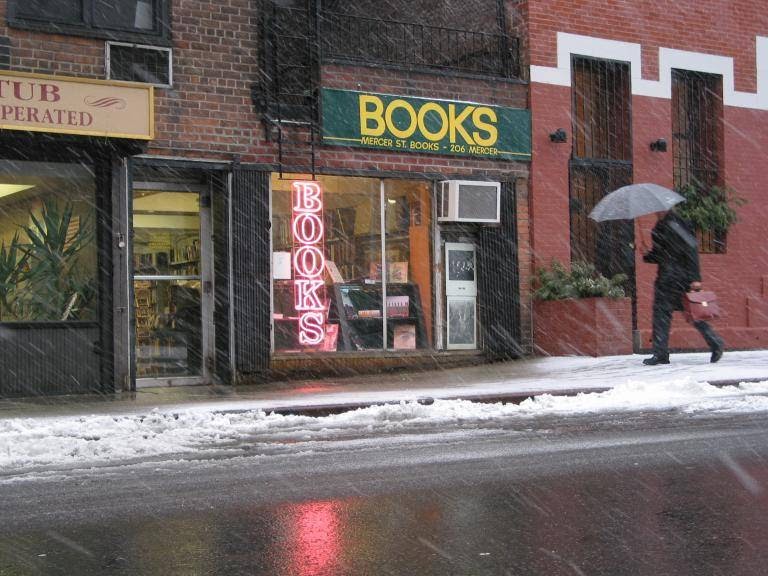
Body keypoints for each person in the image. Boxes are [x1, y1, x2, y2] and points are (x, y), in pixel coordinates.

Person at [642, 208, 724, 365]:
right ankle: (661, 354)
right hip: (665, 279)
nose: (656, 212)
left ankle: (715, 342)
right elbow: (660, 255)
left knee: (692, 313)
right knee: (661, 316)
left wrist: (695, 278)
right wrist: (647, 254)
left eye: (659, 209)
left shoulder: (678, 224)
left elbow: (691, 249)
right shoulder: (659, 227)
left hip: (680, 279)